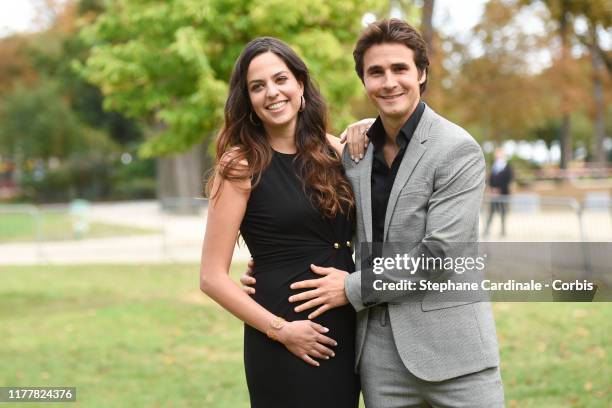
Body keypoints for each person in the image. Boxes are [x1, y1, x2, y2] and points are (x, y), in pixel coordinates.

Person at [243, 19, 504, 407]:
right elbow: (318, 218)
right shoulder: (352, 152)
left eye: (400, 69)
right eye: (375, 72)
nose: (389, 82)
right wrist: (270, 266)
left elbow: (441, 255)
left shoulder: (456, 149)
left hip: (454, 356)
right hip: (378, 360)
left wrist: (349, 288)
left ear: (422, 72)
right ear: (364, 81)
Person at [199, 37, 366, 408]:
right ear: (248, 101)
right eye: (258, 87)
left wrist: (367, 124)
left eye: (280, 79)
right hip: (284, 333)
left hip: (346, 328)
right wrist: (283, 331)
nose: (272, 93)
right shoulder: (240, 166)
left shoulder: (335, 151)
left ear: (300, 84)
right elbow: (211, 277)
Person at [484, 148, 513, 237]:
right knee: (491, 213)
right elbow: (490, 179)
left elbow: (508, 180)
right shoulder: (494, 166)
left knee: (503, 213)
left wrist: (499, 190)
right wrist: (492, 189)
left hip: (503, 193)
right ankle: (487, 230)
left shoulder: (507, 167)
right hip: (494, 194)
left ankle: (503, 231)